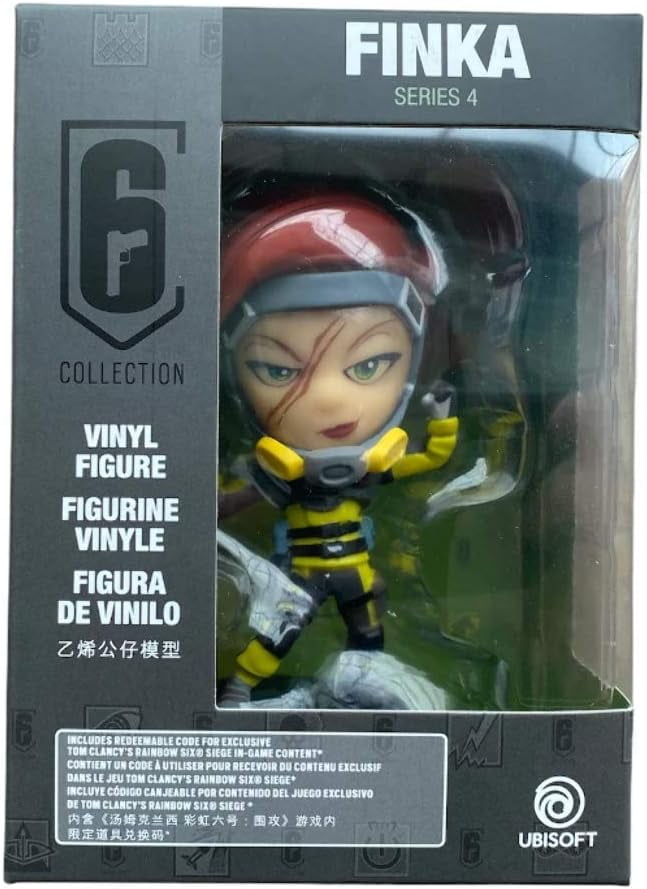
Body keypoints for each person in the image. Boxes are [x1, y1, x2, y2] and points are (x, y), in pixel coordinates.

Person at [218, 191, 459, 705]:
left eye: (369, 365)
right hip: (300, 576)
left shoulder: (370, 467)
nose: (328, 398)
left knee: (368, 633)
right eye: (278, 370)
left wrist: (443, 420)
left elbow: (433, 460)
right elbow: (225, 501)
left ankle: (365, 687)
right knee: (279, 632)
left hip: (356, 572)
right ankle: (239, 689)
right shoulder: (275, 474)